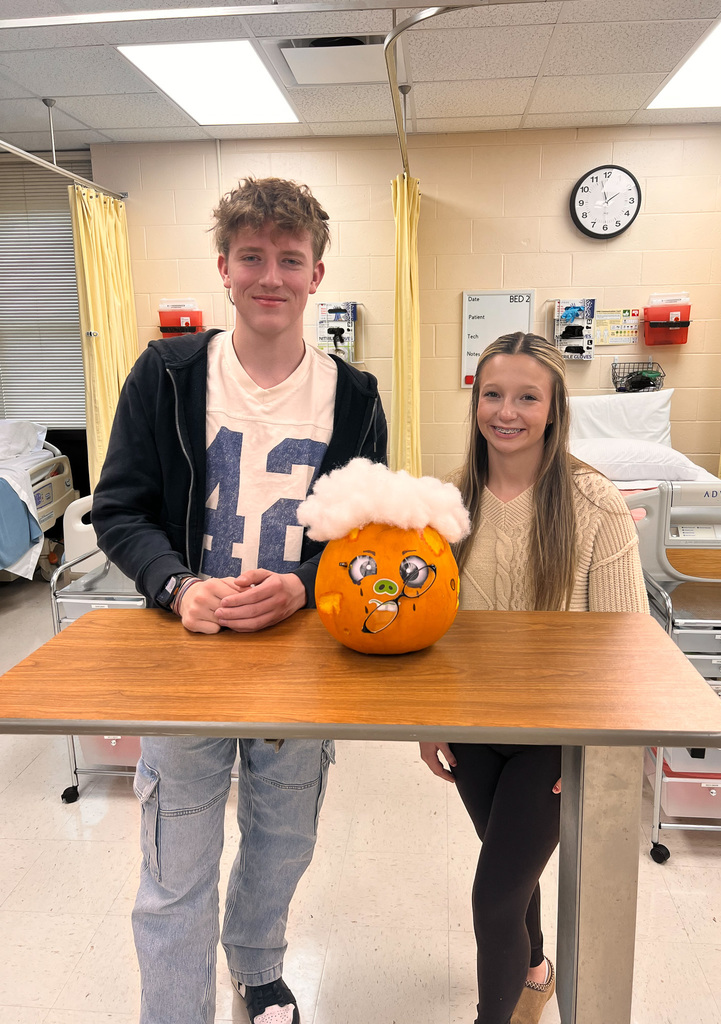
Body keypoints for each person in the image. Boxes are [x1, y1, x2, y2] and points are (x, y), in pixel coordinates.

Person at [92, 176, 386, 1024]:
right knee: (176, 857)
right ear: (223, 267)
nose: (271, 276)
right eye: (251, 256)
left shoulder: (356, 398)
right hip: (186, 662)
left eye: (289, 259)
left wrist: (303, 584)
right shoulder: (168, 374)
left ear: (317, 275)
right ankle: (176, 1010)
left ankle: (257, 969)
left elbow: (363, 538)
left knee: (283, 838)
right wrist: (178, 586)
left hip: (302, 668)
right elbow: (119, 508)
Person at [419, 333, 648, 1024]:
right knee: (510, 867)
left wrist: (593, 748)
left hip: (556, 736)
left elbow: (625, 641)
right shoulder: (446, 504)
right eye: (493, 394)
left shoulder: (594, 502)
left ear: (554, 408)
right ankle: (537, 967)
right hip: (473, 730)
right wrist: (427, 724)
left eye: (527, 396)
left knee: (493, 896)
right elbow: (425, 629)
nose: (507, 411)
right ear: (475, 401)